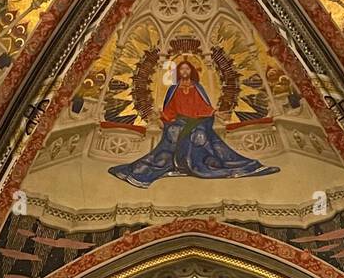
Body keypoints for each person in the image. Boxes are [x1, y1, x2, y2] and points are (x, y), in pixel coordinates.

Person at [108, 60, 279, 187]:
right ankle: (162, 167)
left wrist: (215, 113)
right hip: (180, 121)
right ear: (178, 72)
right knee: (173, 133)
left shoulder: (197, 87)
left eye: (186, 68)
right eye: (181, 68)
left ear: (191, 71)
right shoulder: (173, 88)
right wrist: (162, 117)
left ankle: (211, 164)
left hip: (198, 120)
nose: (184, 71)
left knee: (200, 134)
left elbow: (203, 106)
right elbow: (171, 108)